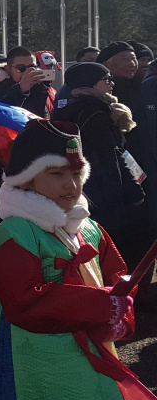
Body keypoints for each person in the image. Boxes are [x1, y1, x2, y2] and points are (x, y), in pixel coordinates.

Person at [0, 119, 149, 400]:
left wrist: (120, 308)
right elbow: (25, 303)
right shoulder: (13, 233)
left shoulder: (88, 226)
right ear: (26, 180)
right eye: (55, 174)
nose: (71, 184)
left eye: (76, 173)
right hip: (28, 357)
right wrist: (102, 306)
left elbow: (117, 274)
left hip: (90, 351)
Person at [53, 62, 147, 267]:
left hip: (83, 186)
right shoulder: (96, 114)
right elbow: (112, 158)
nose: (111, 83)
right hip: (105, 191)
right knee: (115, 248)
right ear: (91, 84)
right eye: (106, 79)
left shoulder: (71, 108)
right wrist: (134, 192)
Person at [0, 46, 55, 118]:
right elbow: (2, 115)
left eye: (32, 67)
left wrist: (42, 88)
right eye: (21, 68)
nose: (27, 72)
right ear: (8, 69)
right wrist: (20, 90)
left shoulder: (37, 87)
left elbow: (41, 117)